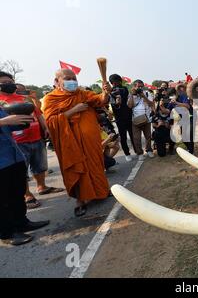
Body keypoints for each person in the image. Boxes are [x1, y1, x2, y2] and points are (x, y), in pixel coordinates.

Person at [43, 69, 112, 217]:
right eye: (68, 78)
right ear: (57, 81)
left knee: (95, 164)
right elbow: (50, 122)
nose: (72, 81)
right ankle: (80, 200)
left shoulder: (83, 94)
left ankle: (102, 191)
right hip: (70, 142)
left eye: (74, 78)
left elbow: (100, 100)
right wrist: (74, 110)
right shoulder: (50, 99)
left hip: (90, 140)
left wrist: (106, 92)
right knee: (76, 168)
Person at [0, 75, 50, 246]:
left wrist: (21, 121)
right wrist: (4, 121)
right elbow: (4, 122)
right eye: (3, 83)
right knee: (3, 198)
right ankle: (7, 233)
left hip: (13, 155)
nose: (8, 85)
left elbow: (9, 126)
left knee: (16, 193)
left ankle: (22, 222)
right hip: (1, 161)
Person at [0, 77, 64, 210]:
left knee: (40, 164)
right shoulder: (1, 101)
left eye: (10, 82)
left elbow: (38, 113)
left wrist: (45, 128)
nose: (9, 84)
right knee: (22, 170)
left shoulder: (24, 98)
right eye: (4, 82)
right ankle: (27, 194)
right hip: (17, 141)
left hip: (36, 136)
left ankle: (42, 186)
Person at [109, 74, 136, 162]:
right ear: (112, 83)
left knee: (133, 135)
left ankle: (137, 150)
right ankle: (127, 153)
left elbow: (129, 100)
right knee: (123, 137)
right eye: (115, 82)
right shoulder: (111, 92)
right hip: (119, 119)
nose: (117, 83)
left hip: (128, 116)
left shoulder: (124, 89)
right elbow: (113, 105)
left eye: (118, 81)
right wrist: (116, 102)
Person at [127, 80, 155, 161]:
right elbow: (130, 106)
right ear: (134, 87)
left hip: (147, 118)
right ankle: (140, 153)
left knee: (148, 136)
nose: (140, 88)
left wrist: (143, 96)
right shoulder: (131, 94)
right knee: (136, 138)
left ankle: (149, 150)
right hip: (135, 120)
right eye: (138, 86)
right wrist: (132, 95)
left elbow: (151, 104)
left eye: (141, 86)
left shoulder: (147, 93)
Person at [171, 83, 195, 154]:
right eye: (179, 88)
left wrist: (176, 102)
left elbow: (187, 106)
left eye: (182, 88)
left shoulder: (185, 96)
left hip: (190, 117)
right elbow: (168, 109)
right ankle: (189, 149)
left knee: (189, 136)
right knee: (184, 137)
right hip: (182, 119)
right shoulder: (174, 98)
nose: (181, 90)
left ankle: (191, 152)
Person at [152, 92, 175, 157]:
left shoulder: (170, 114)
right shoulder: (156, 114)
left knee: (174, 135)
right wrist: (158, 125)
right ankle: (161, 147)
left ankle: (171, 148)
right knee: (161, 154)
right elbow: (153, 125)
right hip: (159, 134)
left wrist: (165, 124)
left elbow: (171, 127)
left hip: (168, 133)